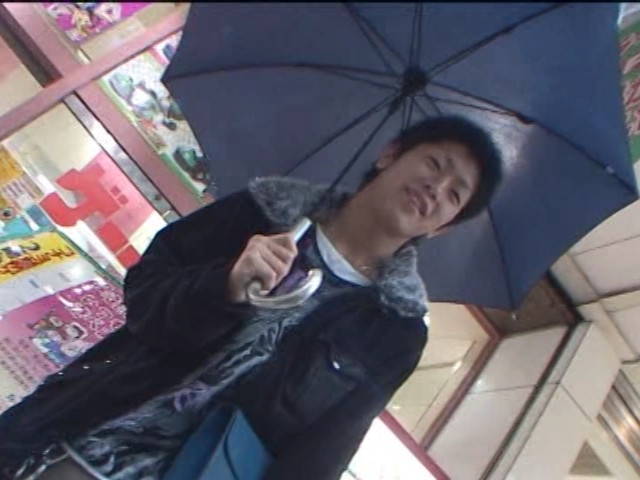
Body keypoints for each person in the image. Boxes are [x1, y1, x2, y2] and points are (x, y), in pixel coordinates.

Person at [0, 115, 502, 480]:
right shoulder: (260, 215)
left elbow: (319, 455)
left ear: (443, 228)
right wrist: (224, 284)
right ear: (389, 154)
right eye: (434, 163)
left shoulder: (394, 333)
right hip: (76, 440)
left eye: (454, 195)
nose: (436, 188)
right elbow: (145, 298)